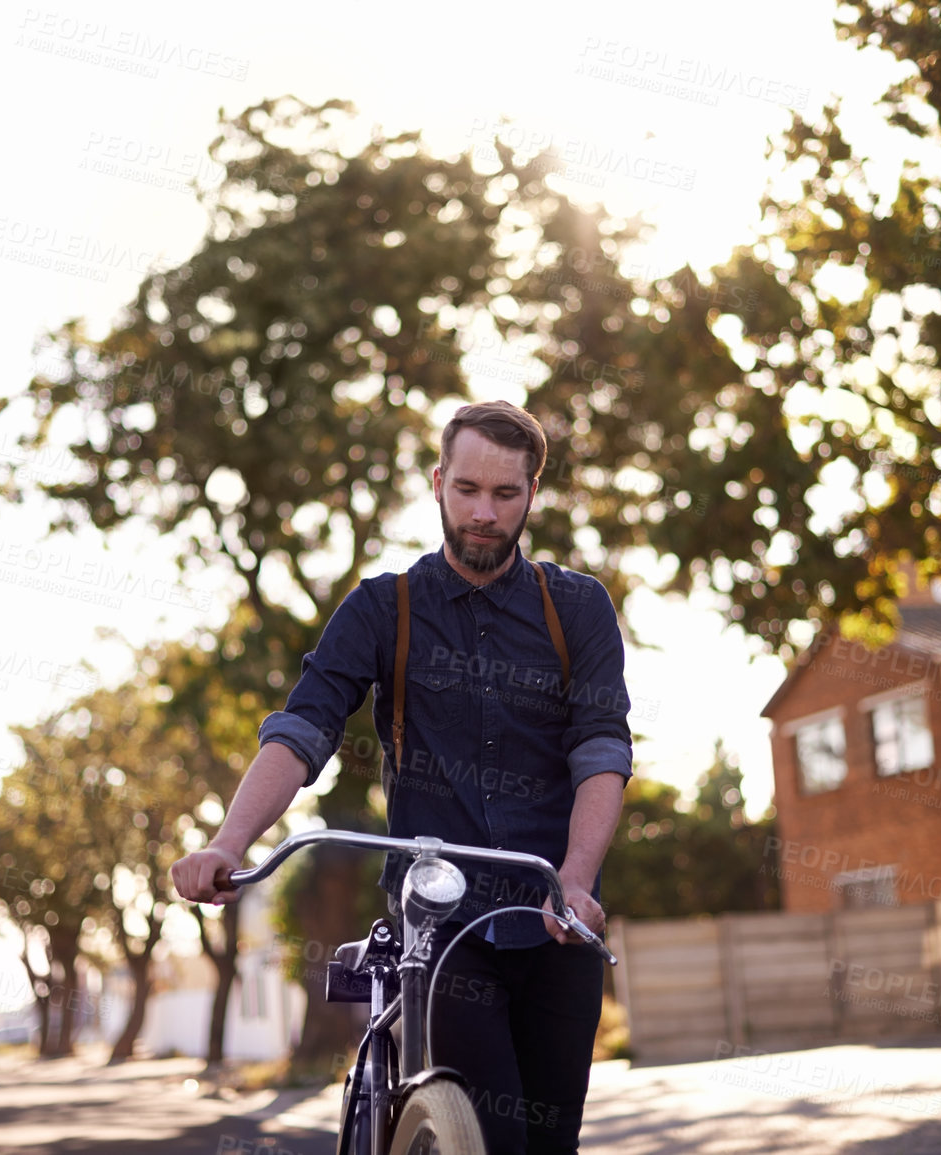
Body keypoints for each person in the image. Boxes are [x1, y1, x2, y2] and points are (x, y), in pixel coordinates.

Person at [171, 399, 632, 1154]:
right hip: (442, 925)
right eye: (467, 490)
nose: (484, 512)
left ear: (532, 494)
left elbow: (601, 748)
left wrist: (574, 879)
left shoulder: (576, 608)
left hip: (556, 918)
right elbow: (304, 727)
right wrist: (228, 841)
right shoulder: (384, 607)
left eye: (505, 494)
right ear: (437, 483)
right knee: (493, 1138)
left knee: (552, 1145)